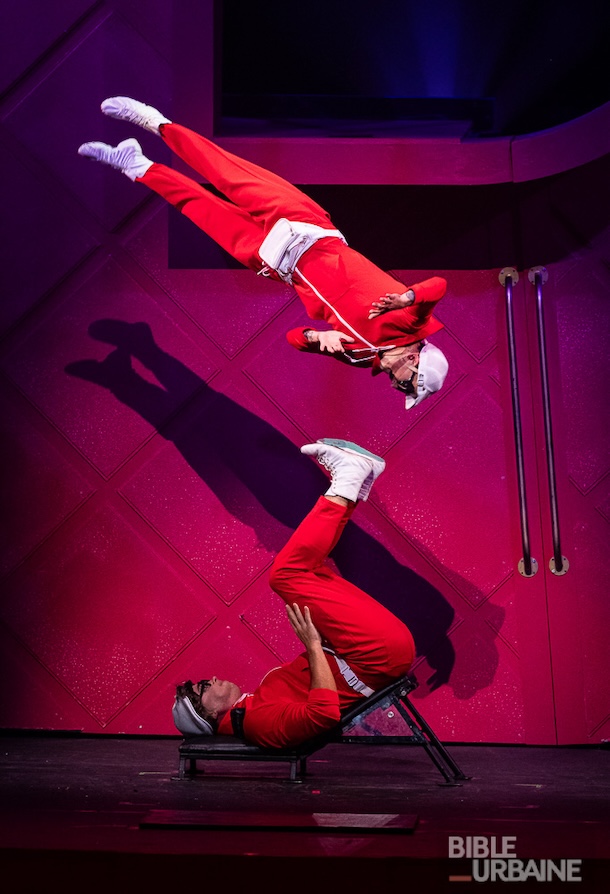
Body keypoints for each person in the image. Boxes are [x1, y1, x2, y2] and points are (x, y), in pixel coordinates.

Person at [78, 97, 449, 410]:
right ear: (414, 361)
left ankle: (135, 165)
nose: (395, 387)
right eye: (405, 385)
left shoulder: (359, 357)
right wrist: (406, 295)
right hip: (308, 230)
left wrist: (318, 339)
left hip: (276, 263)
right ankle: (153, 121)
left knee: (200, 209)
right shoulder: (409, 323)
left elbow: (293, 338)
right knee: (224, 170)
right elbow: (438, 286)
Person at [171, 438, 415, 747]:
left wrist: (321, 642)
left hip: (370, 653)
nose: (213, 678)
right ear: (207, 715)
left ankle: (356, 482)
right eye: (204, 686)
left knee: (308, 571)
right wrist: (313, 644)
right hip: (375, 656)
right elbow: (324, 716)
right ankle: (350, 477)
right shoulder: (257, 723)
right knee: (287, 575)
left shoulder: (253, 708)